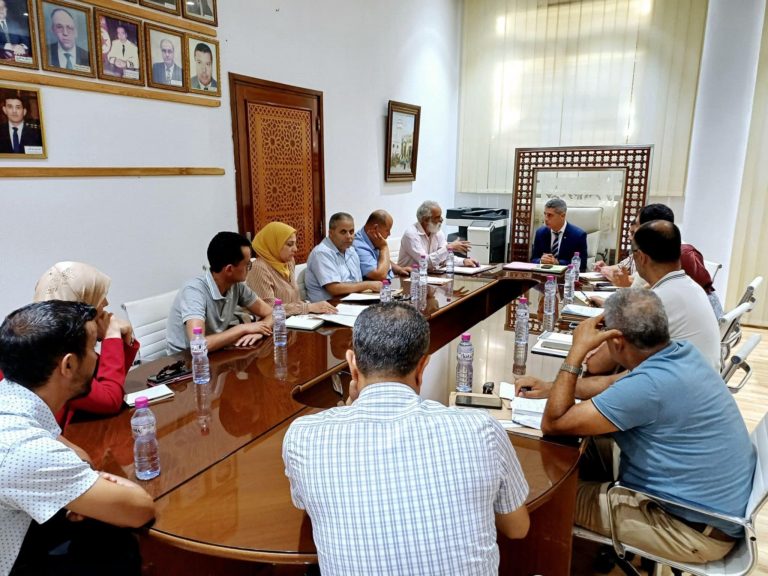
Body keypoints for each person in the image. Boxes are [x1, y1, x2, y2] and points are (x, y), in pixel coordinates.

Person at [283, 302, 530, 575]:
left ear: (352, 363)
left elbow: (306, 504)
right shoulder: (481, 428)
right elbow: (518, 529)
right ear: (423, 366)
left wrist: (352, 405)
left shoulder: (304, 437)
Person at [541, 289, 755, 564]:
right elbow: (612, 384)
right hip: (710, 512)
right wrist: (550, 389)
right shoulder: (681, 353)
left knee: (549, 496)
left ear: (616, 341)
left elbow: (554, 423)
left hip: (687, 530)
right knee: (580, 450)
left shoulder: (649, 387)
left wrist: (576, 351)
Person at [0, 300, 155, 575]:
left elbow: (77, 454)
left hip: (23, 525)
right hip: (13, 561)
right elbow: (140, 509)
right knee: (117, 544)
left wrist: (79, 484)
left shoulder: (11, 396)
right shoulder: (23, 447)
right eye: (93, 347)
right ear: (68, 365)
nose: (97, 357)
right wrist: (99, 484)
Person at [517, 219, 721, 398]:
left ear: (641, 257)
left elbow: (596, 364)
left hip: (679, 401)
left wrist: (579, 351)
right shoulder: (689, 287)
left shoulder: (655, 302)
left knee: (564, 419)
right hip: (700, 391)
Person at [33, 261, 139, 429]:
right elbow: (110, 400)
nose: (106, 302)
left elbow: (110, 383)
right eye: (98, 296)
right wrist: (112, 337)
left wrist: (121, 339)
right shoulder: (54, 353)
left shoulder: (52, 337)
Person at [595, 203, 722, 317]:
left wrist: (613, 303)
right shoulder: (670, 248)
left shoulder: (670, 256)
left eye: (637, 226)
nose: (632, 234)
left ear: (650, 228)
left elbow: (637, 302)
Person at [167, 232, 273, 354]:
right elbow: (198, 345)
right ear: (229, 269)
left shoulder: (236, 286)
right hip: (186, 359)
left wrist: (259, 331)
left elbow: (273, 313)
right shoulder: (194, 291)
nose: (249, 268)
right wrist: (242, 329)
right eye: (247, 264)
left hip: (217, 352)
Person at [246, 221, 336, 315]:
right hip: (275, 322)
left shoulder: (289, 262)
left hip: (296, 318)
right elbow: (268, 308)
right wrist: (308, 307)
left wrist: (310, 308)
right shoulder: (258, 268)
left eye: (295, 244)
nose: (295, 249)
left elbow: (295, 300)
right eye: (289, 244)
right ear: (273, 243)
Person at [305, 212, 381, 302]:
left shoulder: (351, 250)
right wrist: (368, 285)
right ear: (331, 233)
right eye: (343, 232)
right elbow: (334, 288)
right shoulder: (322, 253)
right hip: (329, 305)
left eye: (351, 232)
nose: (349, 236)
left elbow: (357, 282)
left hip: (352, 301)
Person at [398, 200, 478, 271]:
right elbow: (426, 262)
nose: (441, 220)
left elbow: (444, 258)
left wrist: (463, 261)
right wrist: (449, 248)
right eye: (437, 217)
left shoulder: (437, 232)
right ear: (425, 219)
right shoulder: (411, 235)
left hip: (429, 276)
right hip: (408, 278)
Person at [530, 198, 588, 271]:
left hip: (566, 275)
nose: (546, 219)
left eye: (550, 215)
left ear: (562, 215)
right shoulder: (540, 233)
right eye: (545, 214)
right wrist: (541, 261)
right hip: (544, 274)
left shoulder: (578, 235)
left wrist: (558, 263)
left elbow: (582, 265)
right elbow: (533, 259)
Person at [352, 209, 410, 280]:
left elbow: (380, 260)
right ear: (375, 228)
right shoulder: (358, 245)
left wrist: (399, 269)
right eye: (387, 230)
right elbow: (379, 276)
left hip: (390, 282)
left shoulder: (372, 238)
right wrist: (384, 247)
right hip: (378, 284)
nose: (389, 234)